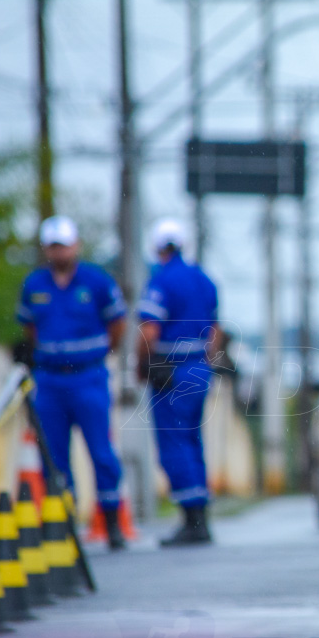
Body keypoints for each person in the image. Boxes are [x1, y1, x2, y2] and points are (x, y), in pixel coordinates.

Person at [16, 215, 128, 550]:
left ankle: (111, 522)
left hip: (88, 378)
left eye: (63, 245)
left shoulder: (96, 281)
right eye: (53, 245)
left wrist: (99, 354)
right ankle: (63, 525)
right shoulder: (35, 285)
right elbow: (29, 328)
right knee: (53, 457)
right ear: (45, 248)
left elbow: (117, 325)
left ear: (75, 245)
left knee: (101, 452)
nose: (59, 251)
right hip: (50, 381)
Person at [137, 218, 219, 546]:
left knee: (173, 443)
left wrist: (142, 364)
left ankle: (191, 517)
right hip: (199, 367)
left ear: (158, 248)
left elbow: (148, 330)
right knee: (192, 440)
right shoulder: (204, 280)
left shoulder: (161, 281)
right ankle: (202, 515)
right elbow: (216, 332)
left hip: (171, 371)